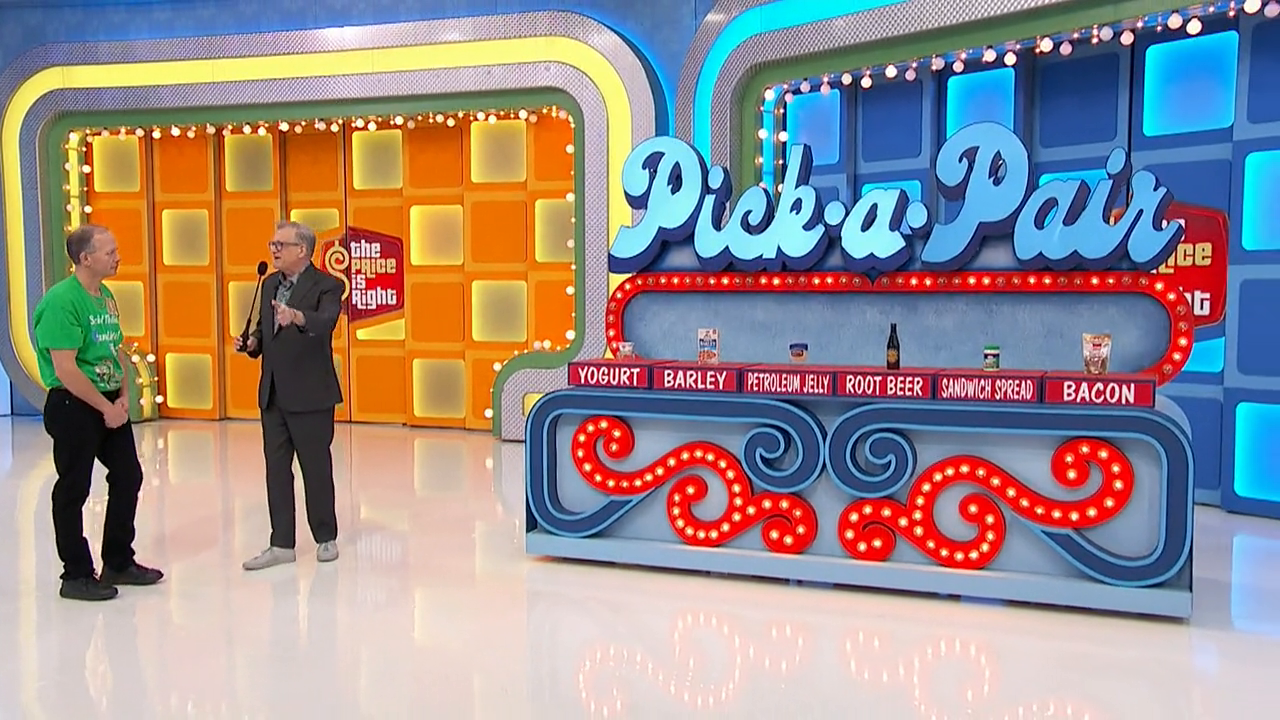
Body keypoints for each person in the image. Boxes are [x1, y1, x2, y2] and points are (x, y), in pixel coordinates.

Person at [33, 224, 164, 601]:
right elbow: (66, 369)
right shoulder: (62, 301)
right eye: (110, 252)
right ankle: (75, 574)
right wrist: (105, 407)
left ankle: (118, 561)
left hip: (108, 401)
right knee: (73, 487)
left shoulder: (105, 295)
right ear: (85, 258)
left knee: (128, 475)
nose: (117, 258)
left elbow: (114, 349)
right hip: (74, 404)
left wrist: (123, 397)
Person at [234, 221, 345, 570]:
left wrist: (295, 316)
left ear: (303, 250)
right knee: (277, 471)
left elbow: (324, 323)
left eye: (281, 244)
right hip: (273, 394)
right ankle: (281, 543)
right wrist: (252, 343)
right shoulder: (269, 283)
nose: (274, 250)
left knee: (315, 468)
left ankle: (325, 537)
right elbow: (265, 331)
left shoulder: (328, 285)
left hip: (311, 394)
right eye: (272, 244)